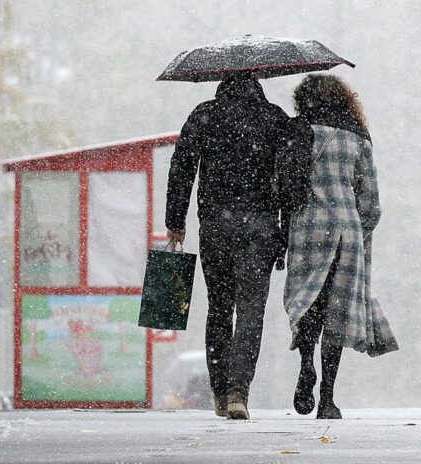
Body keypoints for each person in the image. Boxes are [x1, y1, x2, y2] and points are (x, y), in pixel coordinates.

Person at [165, 74, 293, 420]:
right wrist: (287, 230)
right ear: (257, 85)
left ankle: (220, 392)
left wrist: (175, 220)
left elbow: (182, 167)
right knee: (252, 310)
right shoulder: (274, 118)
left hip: (217, 227)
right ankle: (239, 391)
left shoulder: (205, 114)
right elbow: (290, 176)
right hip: (261, 228)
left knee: (219, 308)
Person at [282, 74, 399, 420]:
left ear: (304, 99)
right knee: (338, 311)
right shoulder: (358, 136)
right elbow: (371, 202)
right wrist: (362, 228)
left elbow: (283, 185)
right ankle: (328, 399)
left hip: (306, 228)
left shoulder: (296, 130)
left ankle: (306, 364)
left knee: (310, 304)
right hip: (347, 232)